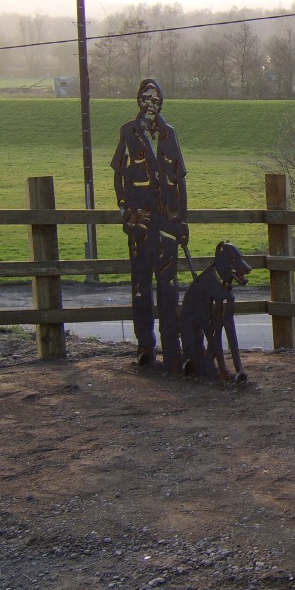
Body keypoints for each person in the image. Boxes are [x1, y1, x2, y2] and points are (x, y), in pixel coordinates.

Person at [111, 78, 189, 372]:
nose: (150, 105)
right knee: (141, 286)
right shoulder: (127, 132)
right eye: (145, 98)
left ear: (161, 104)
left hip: (167, 222)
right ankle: (146, 347)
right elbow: (117, 173)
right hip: (140, 222)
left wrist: (183, 221)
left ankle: (172, 348)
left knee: (169, 287)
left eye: (155, 100)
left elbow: (180, 181)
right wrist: (123, 208)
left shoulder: (169, 134)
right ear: (138, 101)